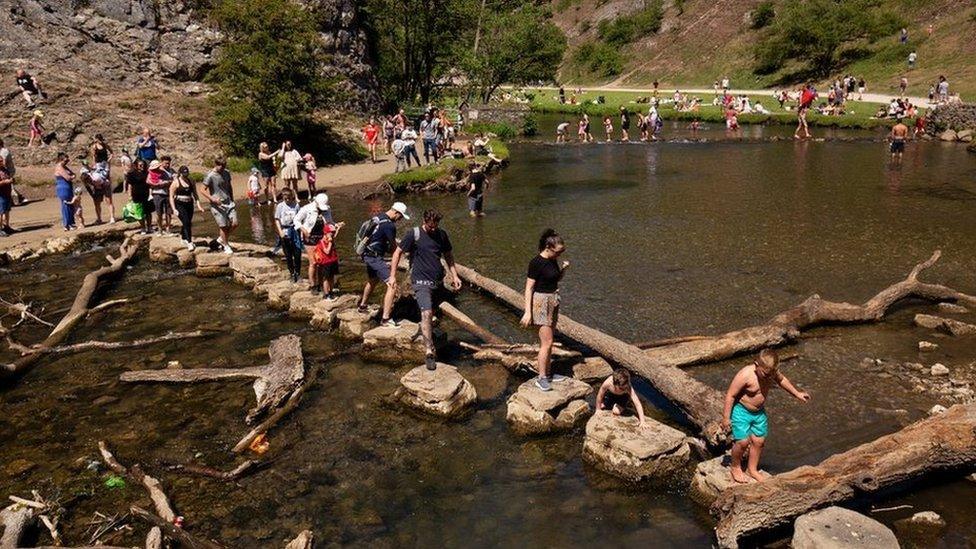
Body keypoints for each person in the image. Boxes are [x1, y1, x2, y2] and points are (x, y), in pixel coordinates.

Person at [388, 208, 461, 370]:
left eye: (436, 226)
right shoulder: (413, 234)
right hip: (420, 281)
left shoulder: (441, 235)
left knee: (431, 312)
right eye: (430, 226)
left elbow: (448, 255)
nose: (433, 229)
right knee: (426, 313)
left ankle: (427, 330)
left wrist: (454, 275)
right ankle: (429, 351)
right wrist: (392, 276)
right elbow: (397, 253)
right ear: (424, 221)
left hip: (437, 281)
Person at [722, 349, 810, 483]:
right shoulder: (745, 374)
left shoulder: (770, 372)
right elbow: (730, 395)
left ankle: (752, 469)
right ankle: (735, 467)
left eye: (771, 375)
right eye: (765, 374)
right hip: (742, 411)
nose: (768, 378)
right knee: (742, 442)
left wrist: (797, 394)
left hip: (759, 413)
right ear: (757, 365)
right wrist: (726, 418)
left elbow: (782, 380)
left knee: (759, 442)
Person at [520, 229, 568, 391]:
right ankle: (541, 377)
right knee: (546, 342)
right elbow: (529, 288)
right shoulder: (536, 262)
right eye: (558, 251)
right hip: (540, 302)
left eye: (562, 251)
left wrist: (563, 270)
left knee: (550, 341)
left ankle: (548, 373)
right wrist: (528, 312)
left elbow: (554, 279)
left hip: (553, 300)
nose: (560, 254)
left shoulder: (553, 260)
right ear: (548, 247)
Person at [356, 202, 410, 325]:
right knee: (392, 284)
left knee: (373, 280)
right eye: (400, 216)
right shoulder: (389, 226)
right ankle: (385, 319)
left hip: (366, 254)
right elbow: (393, 248)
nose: (400, 219)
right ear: (396, 213)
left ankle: (363, 306)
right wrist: (402, 253)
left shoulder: (378, 217)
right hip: (374, 257)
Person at [295, 193, 338, 293]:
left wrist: (335, 225)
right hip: (310, 238)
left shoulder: (327, 209)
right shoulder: (306, 209)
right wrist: (303, 229)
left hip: (322, 238)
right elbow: (296, 220)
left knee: (322, 263)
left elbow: (330, 222)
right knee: (313, 262)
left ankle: (321, 284)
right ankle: (313, 285)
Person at [199, 157, 237, 254]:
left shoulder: (226, 173)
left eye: (224, 166)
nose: (222, 168)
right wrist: (212, 199)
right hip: (217, 204)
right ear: (216, 165)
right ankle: (226, 245)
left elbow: (229, 186)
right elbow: (202, 190)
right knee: (223, 226)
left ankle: (221, 239)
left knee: (235, 223)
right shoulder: (210, 175)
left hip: (229, 202)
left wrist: (232, 198)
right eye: (220, 166)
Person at [169, 165, 203, 250]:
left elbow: (195, 194)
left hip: (189, 204)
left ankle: (183, 238)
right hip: (179, 204)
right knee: (186, 222)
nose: (185, 175)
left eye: (187, 173)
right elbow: (171, 196)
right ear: (180, 173)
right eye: (184, 174)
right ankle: (189, 242)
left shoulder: (191, 181)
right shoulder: (175, 183)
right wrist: (174, 209)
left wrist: (199, 205)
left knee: (187, 222)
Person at [274, 187, 303, 282]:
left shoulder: (296, 205)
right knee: (288, 255)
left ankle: (298, 273)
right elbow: (277, 220)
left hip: (295, 231)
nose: (287, 201)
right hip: (285, 231)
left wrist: (301, 233)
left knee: (297, 254)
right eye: (285, 199)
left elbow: (300, 219)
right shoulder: (280, 206)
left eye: (289, 199)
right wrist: (280, 231)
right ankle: (292, 273)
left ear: (292, 197)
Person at [147, 158, 173, 234]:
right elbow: (148, 181)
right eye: (166, 163)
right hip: (157, 194)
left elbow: (173, 180)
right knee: (159, 213)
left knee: (168, 212)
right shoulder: (151, 173)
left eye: (168, 163)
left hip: (167, 194)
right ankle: (160, 229)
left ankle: (168, 228)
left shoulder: (169, 171)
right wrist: (158, 184)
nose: (167, 165)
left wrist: (166, 182)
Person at [125, 159, 151, 233]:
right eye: (140, 165)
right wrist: (129, 196)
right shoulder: (132, 174)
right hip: (136, 195)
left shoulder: (147, 173)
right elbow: (130, 185)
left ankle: (149, 227)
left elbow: (149, 184)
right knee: (139, 212)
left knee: (148, 212)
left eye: (143, 165)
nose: (142, 166)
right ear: (136, 166)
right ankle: (143, 227)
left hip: (146, 194)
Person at [54, 153, 76, 230]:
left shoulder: (64, 167)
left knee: (71, 204)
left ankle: (71, 223)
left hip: (68, 187)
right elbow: (68, 177)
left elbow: (73, 174)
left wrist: (72, 176)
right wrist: (72, 176)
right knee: (66, 204)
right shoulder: (59, 167)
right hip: (63, 187)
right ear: (61, 160)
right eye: (65, 160)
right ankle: (66, 224)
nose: (67, 162)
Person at [0, 139, 23, 206]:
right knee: (8, 185)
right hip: (5, 171)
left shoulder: (4, 152)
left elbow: (3, 164)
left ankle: (16, 198)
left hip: (8, 171)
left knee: (8, 185)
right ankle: (19, 197)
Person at [0, 157, 12, 236]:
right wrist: (5, 181)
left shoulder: (5, 169)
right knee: (1, 212)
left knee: (7, 211)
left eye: (2, 160)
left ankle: (6, 226)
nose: (2, 161)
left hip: (7, 193)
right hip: (1, 195)